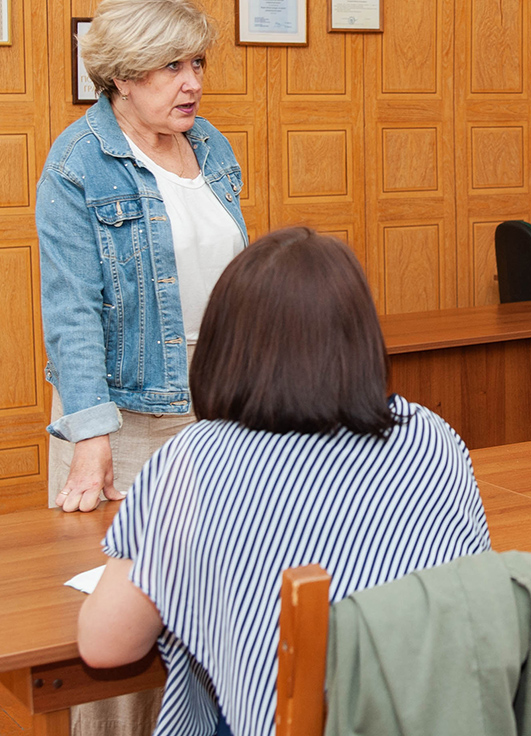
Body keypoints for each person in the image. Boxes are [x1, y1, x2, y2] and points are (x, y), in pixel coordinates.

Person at [76, 228, 492, 736]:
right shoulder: (432, 438)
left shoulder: (194, 459)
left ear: (226, 344)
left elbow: (106, 646)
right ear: (360, 337)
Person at [38, 0, 246, 514]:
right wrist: (90, 434)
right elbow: (72, 311)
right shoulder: (78, 164)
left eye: (197, 62)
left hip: (220, 391)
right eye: (171, 65)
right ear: (124, 78)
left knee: (214, 566)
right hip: (128, 405)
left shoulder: (209, 143)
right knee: (109, 572)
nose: (193, 82)